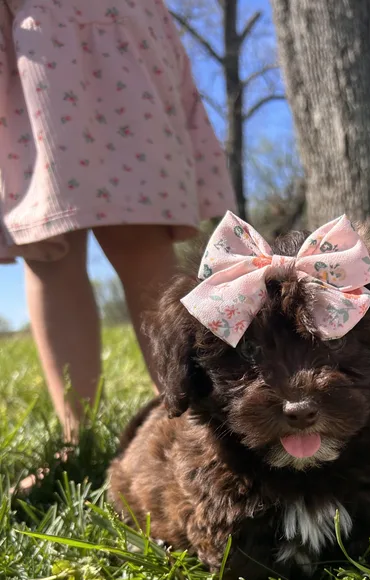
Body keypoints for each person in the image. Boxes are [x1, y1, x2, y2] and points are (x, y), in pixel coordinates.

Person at [0, 0, 236, 444]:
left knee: (141, 236)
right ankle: (78, 435)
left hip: (117, 39)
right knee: (49, 242)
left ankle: (186, 421)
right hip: (32, 43)